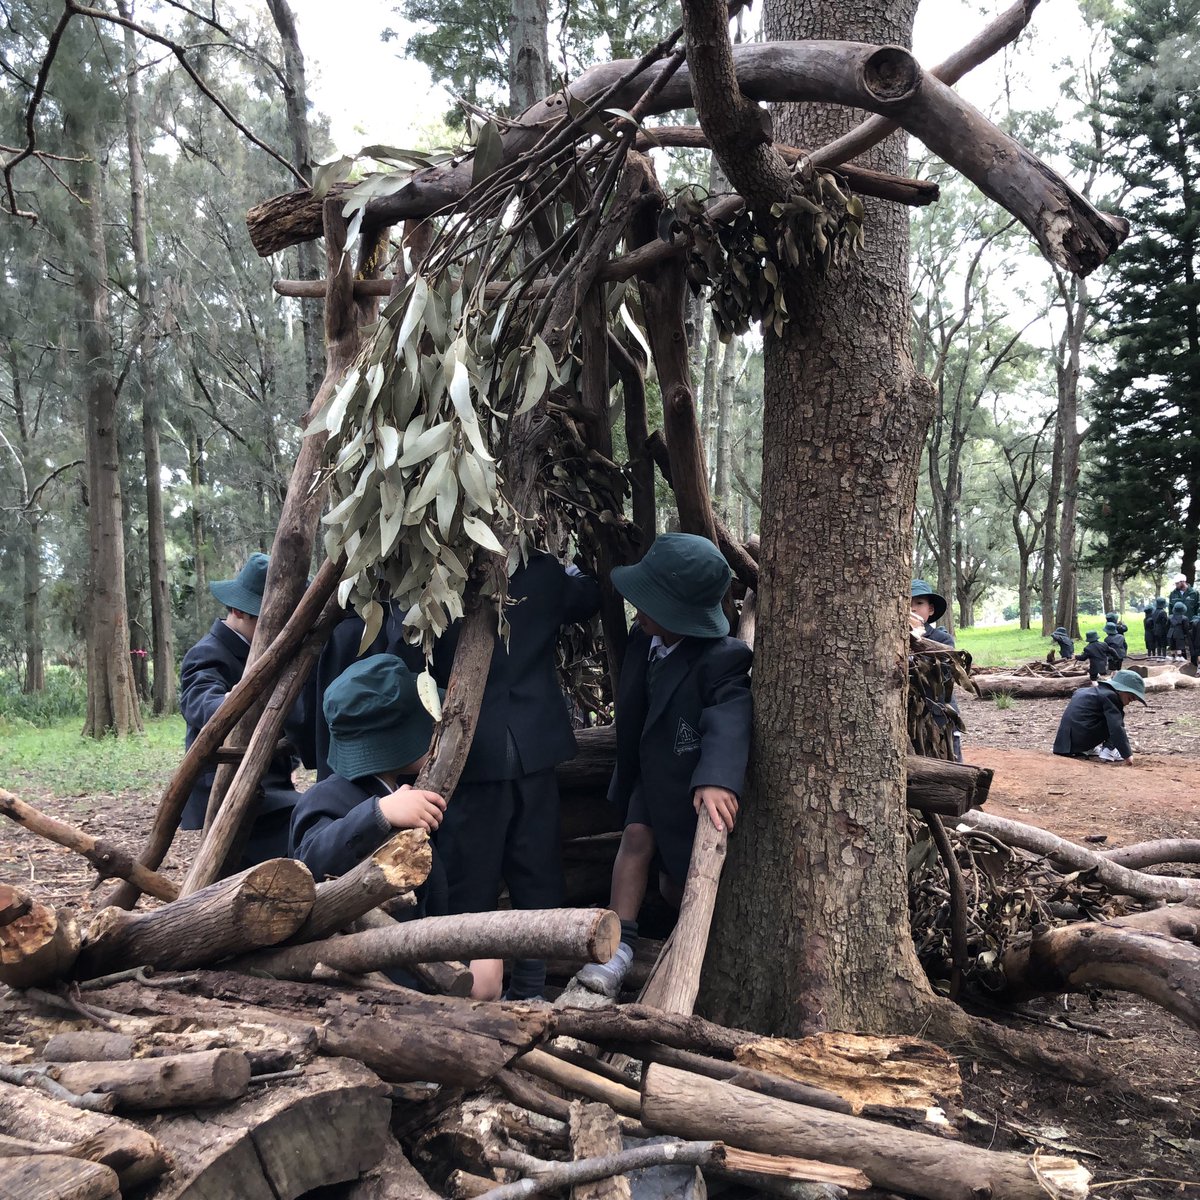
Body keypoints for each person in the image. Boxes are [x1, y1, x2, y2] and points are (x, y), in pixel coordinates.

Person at [576, 534, 752, 998]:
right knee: (634, 841)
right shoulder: (644, 640)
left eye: (649, 603)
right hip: (648, 778)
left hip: (687, 787)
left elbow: (731, 715)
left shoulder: (720, 658)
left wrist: (717, 776)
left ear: (679, 613)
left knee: (678, 882)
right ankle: (617, 947)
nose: (638, 609)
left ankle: (694, 951)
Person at [431, 551, 601, 1001]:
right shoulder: (544, 574)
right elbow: (586, 593)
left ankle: (475, 988)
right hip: (534, 748)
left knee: (471, 877)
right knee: (536, 870)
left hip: (471, 754)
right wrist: (573, 565)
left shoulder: (438, 576)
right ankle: (530, 989)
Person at [289, 654, 447, 906]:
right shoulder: (324, 798)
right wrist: (379, 814)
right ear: (395, 742)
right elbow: (311, 860)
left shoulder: (404, 786)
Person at [179, 553, 302, 868]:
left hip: (267, 783)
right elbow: (200, 702)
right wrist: (241, 699)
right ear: (237, 610)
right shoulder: (206, 653)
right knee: (302, 833)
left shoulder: (267, 655)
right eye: (270, 620)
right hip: (227, 787)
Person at [908, 579, 961, 761]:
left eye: (919, 603)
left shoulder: (943, 639)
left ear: (930, 609)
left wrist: (916, 638)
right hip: (910, 717)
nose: (913, 608)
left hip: (939, 714)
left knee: (948, 759)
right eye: (908, 603)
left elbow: (944, 673)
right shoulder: (892, 637)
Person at [1052, 669, 1146, 764]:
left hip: (1064, 744)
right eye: (1131, 697)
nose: (1131, 701)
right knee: (1116, 719)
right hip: (1082, 739)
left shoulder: (1083, 691)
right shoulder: (1110, 696)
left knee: (1099, 716)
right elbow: (1116, 728)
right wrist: (1127, 755)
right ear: (1120, 689)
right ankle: (1109, 751)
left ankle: (1089, 749)